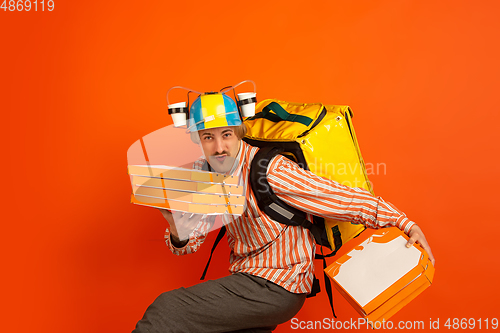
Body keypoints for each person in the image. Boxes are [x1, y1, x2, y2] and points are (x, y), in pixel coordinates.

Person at [133, 92, 435, 333]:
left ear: (238, 132)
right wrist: (175, 226)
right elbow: (189, 243)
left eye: (226, 134)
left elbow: (339, 197)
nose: (219, 147)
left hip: (278, 284)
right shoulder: (205, 174)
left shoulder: (270, 169)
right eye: (208, 137)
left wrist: (403, 222)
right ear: (196, 140)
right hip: (248, 280)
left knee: (167, 309)